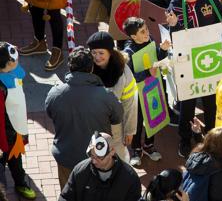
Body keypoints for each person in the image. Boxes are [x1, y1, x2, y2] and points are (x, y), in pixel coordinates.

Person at [165, 0, 222, 158]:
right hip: (189, 62)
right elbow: (175, 36)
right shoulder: (175, 5)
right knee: (187, 102)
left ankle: (211, 138)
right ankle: (185, 139)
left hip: (212, 58)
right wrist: (173, 25)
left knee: (211, 101)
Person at [45, 47, 123, 189]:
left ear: (69, 67)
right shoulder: (106, 95)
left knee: (68, 193)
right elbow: (117, 117)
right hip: (98, 159)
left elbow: (50, 113)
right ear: (91, 68)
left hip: (66, 157)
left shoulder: (55, 93)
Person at [122, 17, 171, 167]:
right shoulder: (128, 52)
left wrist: (162, 50)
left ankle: (149, 146)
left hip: (152, 89)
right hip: (137, 94)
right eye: (142, 32)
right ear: (133, 36)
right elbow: (130, 76)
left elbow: (156, 57)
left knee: (154, 117)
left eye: (147, 29)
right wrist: (148, 73)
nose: (147, 33)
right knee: (137, 122)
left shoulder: (150, 41)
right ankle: (136, 150)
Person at [86, 32, 138, 164]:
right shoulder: (86, 67)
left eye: (101, 53)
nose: (97, 57)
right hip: (90, 124)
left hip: (114, 127)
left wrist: (129, 130)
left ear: (110, 52)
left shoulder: (124, 72)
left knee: (118, 159)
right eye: (94, 53)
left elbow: (130, 103)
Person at [58, 132, 141, 201]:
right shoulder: (80, 171)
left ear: (112, 151)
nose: (94, 161)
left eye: (99, 157)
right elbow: (65, 197)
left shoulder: (129, 178)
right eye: (92, 156)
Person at [0, 43, 36, 199]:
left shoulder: (12, 71)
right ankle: (20, 183)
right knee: (13, 158)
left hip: (16, 126)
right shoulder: (1, 88)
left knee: (13, 157)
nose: (17, 58)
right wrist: (4, 141)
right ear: (8, 64)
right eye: (14, 57)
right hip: (8, 132)